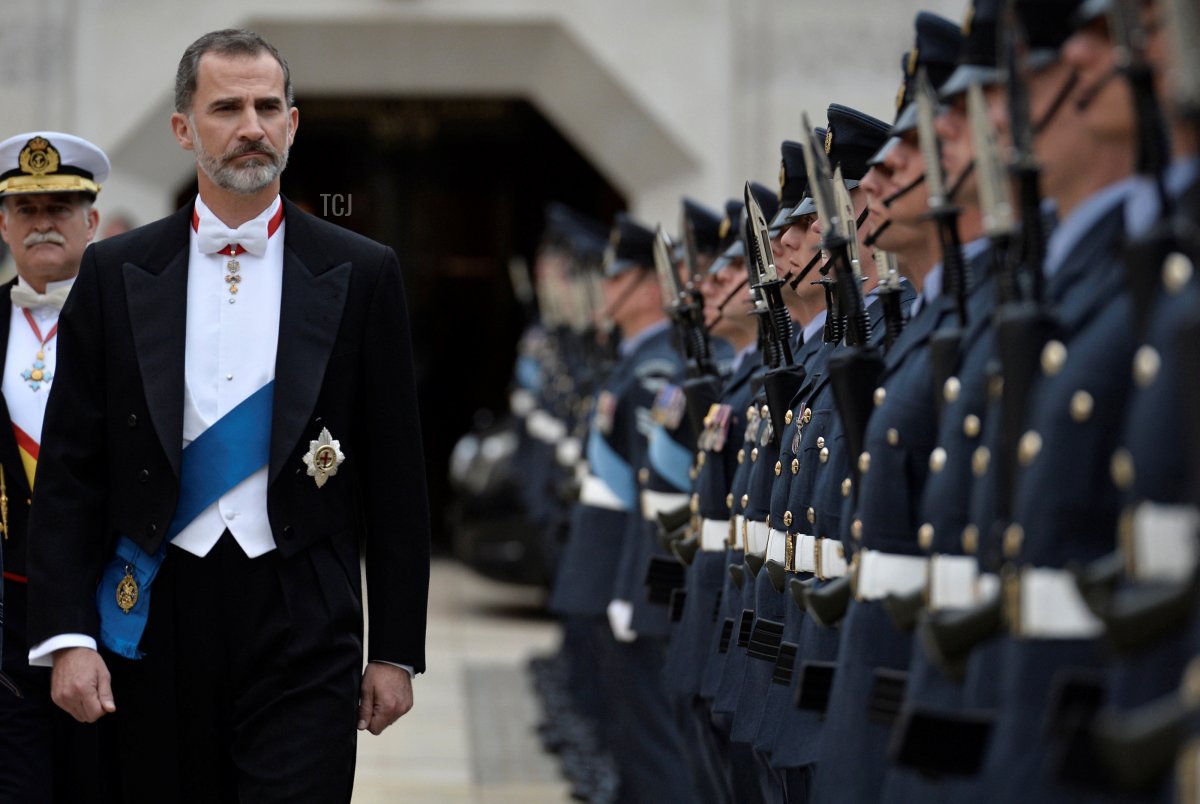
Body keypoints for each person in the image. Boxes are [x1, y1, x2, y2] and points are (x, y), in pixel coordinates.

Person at [24, 29, 430, 803]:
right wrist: (69, 636)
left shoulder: (364, 271)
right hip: (152, 607)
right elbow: (71, 468)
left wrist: (397, 650)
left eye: (268, 106)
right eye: (227, 107)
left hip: (304, 613)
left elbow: (397, 479)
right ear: (183, 129)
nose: (252, 125)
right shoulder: (115, 272)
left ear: (293, 123)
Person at [0, 131, 113, 803]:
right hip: (8, 605)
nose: (44, 222)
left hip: (109, 604)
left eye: (61, 207)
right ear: (4, 223)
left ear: (92, 220)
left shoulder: (138, 320)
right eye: (28, 208)